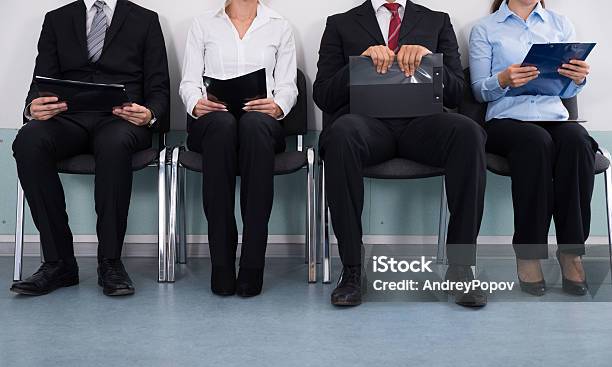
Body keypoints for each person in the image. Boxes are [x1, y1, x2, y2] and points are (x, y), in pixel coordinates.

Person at [314, 0, 488, 307]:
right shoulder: (340, 23)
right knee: (340, 135)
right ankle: (353, 269)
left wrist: (428, 60)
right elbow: (324, 95)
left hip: (423, 125)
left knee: (468, 133)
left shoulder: (437, 20)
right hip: (366, 126)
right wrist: (360, 62)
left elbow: (457, 92)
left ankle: (461, 268)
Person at [11, 0, 170, 297]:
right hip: (67, 118)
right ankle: (59, 263)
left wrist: (150, 114)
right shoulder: (56, 19)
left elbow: (159, 87)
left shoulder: (145, 20)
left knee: (114, 144)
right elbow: (39, 81)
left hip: (121, 119)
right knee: (29, 140)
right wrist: (32, 108)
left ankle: (110, 262)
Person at [469, 0, 596, 296]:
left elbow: (571, 88)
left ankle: (571, 252)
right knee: (535, 142)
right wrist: (502, 80)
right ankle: (528, 253)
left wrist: (579, 79)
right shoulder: (485, 29)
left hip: (553, 116)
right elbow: (477, 89)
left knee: (577, 141)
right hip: (506, 121)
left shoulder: (560, 25)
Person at [179, 0, 298, 297]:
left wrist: (277, 105)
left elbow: (288, 85)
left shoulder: (279, 26)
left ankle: (252, 264)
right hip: (212, 123)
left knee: (253, 125)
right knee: (222, 125)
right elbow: (189, 82)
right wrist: (196, 102)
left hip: (261, 125)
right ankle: (221, 263)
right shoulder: (203, 24)